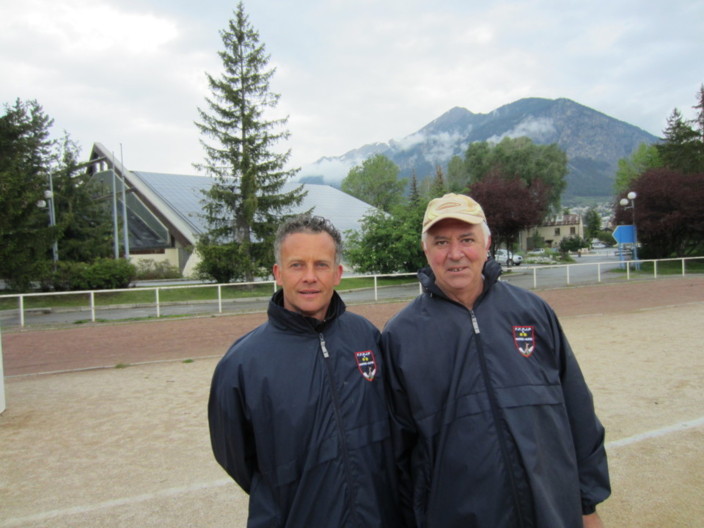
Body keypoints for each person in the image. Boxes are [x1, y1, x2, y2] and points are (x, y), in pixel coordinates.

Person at [381, 193, 611, 528]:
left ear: (487, 243)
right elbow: (398, 454)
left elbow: (578, 411)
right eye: (441, 241)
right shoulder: (401, 335)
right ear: (426, 250)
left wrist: (587, 504)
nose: (455, 253)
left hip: (552, 511)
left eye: (467, 239)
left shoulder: (533, 312)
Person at [208, 214, 403, 528]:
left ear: (338, 273)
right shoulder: (242, 363)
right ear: (278, 273)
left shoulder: (366, 337)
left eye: (321, 264)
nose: (310, 276)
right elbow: (236, 458)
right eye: (297, 265)